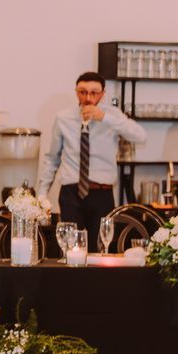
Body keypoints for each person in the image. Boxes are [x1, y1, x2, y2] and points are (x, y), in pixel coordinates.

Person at [37, 70, 148, 248]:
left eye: (94, 92)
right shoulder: (63, 118)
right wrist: (42, 194)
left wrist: (105, 118)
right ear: (76, 92)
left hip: (102, 194)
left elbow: (141, 136)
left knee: (101, 248)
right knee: (71, 249)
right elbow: (52, 158)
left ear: (103, 94)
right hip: (71, 193)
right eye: (83, 92)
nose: (88, 98)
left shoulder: (113, 116)